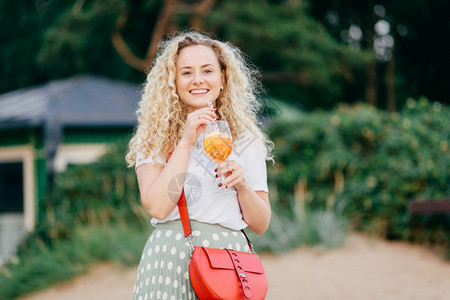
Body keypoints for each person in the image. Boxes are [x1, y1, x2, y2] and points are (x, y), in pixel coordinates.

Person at [125, 31, 273, 300]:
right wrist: (185, 142)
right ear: (173, 80)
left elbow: (261, 223)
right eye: (186, 73)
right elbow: (157, 206)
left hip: (231, 260)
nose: (198, 80)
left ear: (222, 77)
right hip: (171, 256)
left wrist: (242, 186)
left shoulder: (244, 136)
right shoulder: (155, 135)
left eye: (207, 70)